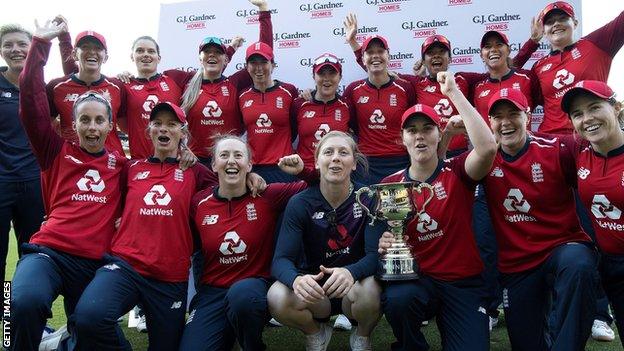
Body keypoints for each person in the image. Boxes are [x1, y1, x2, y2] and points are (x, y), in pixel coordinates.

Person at [10, 20, 126, 351]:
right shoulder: (55, 151)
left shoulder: (122, 167)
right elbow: (31, 103)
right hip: (50, 254)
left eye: (98, 120)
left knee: (95, 331)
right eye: (84, 120)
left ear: (110, 124)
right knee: (23, 302)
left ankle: (67, 340)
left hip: (95, 265)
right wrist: (40, 44)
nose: (91, 127)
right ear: (71, 123)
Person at [71, 102, 217, 350]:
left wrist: (252, 177)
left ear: (183, 133)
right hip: (125, 266)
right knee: (88, 319)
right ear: (149, 130)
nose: (164, 129)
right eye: (158, 124)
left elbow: (228, 188)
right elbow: (99, 197)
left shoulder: (196, 172)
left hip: (170, 277)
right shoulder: (130, 168)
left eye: (172, 125)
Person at [464, 88, 597, 350]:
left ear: (527, 116)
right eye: (497, 116)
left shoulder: (557, 148)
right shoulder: (483, 161)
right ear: (488, 122)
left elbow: (599, 156)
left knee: (578, 263)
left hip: (560, 249)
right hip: (517, 265)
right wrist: (446, 136)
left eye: (513, 113)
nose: (505, 122)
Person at [377, 72, 497, 351]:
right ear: (402, 139)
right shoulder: (391, 185)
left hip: (463, 284)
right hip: (419, 281)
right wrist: (386, 242)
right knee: (398, 300)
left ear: (438, 134)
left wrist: (454, 93)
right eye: (412, 130)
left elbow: (488, 148)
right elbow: (392, 236)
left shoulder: (456, 171)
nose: (420, 136)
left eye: (427, 129)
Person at [179, 135, 307, 350]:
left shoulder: (266, 196)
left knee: (243, 298)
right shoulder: (198, 203)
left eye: (238, 155)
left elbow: (315, 185)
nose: (231, 161)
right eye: (224, 155)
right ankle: (228, 334)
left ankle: (252, 346)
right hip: (213, 292)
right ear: (213, 164)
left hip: (255, 288)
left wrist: (302, 170)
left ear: (249, 165)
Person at [268, 131, 380, 351]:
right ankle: (316, 332)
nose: (336, 158)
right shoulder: (299, 203)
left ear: (354, 163)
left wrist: (351, 272)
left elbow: (375, 256)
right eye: (328, 152)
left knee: (372, 290)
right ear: (317, 162)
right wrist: (297, 281)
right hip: (316, 292)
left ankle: (362, 335)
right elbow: (280, 260)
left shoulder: (368, 198)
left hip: (354, 288)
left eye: (343, 152)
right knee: (277, 295)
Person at [561, 80, 624, 347]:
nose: (587, 119)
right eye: (577, 114)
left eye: (594, 107)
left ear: (617, 108)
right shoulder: (576, 152)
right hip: (610, 266)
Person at [171, 0, 271, 165]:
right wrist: (128, 77)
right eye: (207, 52)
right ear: (199, 58)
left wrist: (264, 11)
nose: (212, 55)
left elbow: (265, 52)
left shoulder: (235, 83)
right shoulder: (187, 82)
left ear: (226, 59)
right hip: (194, 162)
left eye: (217, 53)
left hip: (229, 162)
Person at [532, 1, 623, 135]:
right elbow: (508, 74)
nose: (556, 24)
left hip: (591, 134)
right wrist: (532, 42)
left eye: (563, 18)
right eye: (550, 22)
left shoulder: (596, 44)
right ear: (544, 31)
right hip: (551, 139)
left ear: (575, 23)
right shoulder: (538, 67)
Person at [0, 24, 45, 282]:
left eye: (21, 44)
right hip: (2, 182)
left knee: (31, 255)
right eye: (8, 44)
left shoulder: (41, 88)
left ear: (32, 48)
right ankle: (6, 316)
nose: (15, 49)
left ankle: (26, 317)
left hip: (33, 183)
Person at [342, 34, 415, 185]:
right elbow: (352, 125)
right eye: (370, 52)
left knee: (398, 208)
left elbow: (412, 124)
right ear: (363, 58)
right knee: (366, 207)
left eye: (381, 51)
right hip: (366, 164)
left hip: (399, 161)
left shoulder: (405, 87)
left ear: (388, 56)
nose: (376, 56)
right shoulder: (353, 90)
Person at [46, 26, 126, 155]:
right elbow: (42, 125)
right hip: (72, 161)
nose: (92, 52)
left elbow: (126, 126)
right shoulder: (56, 86)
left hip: (112, 163)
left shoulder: (117, 86)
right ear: (74, 54)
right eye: (85, 47)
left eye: (98, 48)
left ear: (105, 57)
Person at [238, 40, 300, 183]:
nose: (259, 68)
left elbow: (296, 127)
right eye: (253, 63)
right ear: (247, 67)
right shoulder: (242, 96)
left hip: (284, 167)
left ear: (272, 65)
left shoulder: (289, 91)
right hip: (254, 170)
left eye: (264, 62)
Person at [292, 54, 353, 169]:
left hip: (336, 171)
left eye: (332, 73)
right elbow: (289, 136)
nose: (326, 79)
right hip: (305, 171)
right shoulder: (299, 104)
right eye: (321, 74)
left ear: (340, 77)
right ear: (313, 76)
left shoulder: (347, 106)